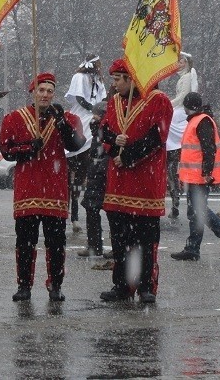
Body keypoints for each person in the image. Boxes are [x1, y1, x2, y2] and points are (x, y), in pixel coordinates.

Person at [0, 73, 86, 302]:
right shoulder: (14, 118)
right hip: (27, 188)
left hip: (55, 188)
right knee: (25, 242)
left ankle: (55, 284)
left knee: (56, 243)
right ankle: (24, 285)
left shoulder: (66, 118)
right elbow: (7, 151)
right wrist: (28, 148)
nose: (45, 95)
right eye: (41, 90)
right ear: (33, 92)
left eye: (49, 91)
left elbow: (76, 144)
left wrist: (61, 123)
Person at [98, 59, 173, 304]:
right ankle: (121, 285)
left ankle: (146, 286)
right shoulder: (114, 102)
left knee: (145, 240)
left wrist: (128, 157)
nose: (115, 84)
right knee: (120, 240)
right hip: (118, 184)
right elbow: (103, 130)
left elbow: (156, 137)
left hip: (145, 182)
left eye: (118, 79)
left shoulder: (159, 100)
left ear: (131, 79)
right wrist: (113, 145)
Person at [171, 92, 220, 261]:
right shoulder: (196, 120)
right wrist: (182, 176)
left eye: (185, 107)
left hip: (199, 177)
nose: (184, 110)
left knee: (199, 211)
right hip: (193, 176)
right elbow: (189, 153)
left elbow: (209, 150)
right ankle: (193, 248)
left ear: (189, 107)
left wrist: (207, 173)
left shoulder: (202, 121)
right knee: (194, 213)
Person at [64, 54, 107, 234]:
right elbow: (80, 99)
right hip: (83, 113)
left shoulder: (99, 80)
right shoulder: (79, 77)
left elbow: (103, 99)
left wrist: (101, 111)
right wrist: (93, 109)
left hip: (96, 115)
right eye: (97, 63)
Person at [166, 52, 198, 218]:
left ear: (184, 62)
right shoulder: (184, 76)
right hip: (180, 106)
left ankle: (172, 147)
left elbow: (182, 97)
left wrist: (168, 103)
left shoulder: (186, 78)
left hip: (181, 108)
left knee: (166, 121)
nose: (176, 64)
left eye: (179, 61)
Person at [77, 101, 110, 258]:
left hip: (101, 177)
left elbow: (104, 154)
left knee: (107, 212)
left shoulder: (106, 131)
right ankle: (95, 245)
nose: (94, 117)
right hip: (96, 176)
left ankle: (97, 245)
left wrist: (97, 171)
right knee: (93, 209)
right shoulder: (98, 131)